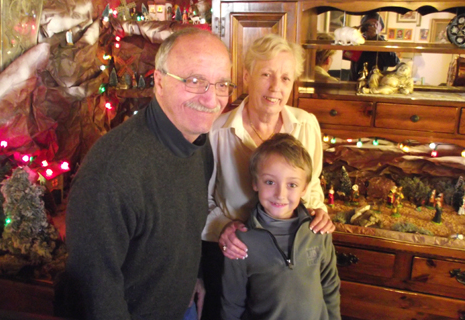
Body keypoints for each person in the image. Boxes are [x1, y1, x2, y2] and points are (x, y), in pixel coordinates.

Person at [63, 28, 235, 320]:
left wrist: (195, 277)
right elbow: (95, 287)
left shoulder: (197, 144)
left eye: (221, 85)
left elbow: (185, 227)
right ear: (159, 82)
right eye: (195, 81)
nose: (211, 99)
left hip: (185, 306)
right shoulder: (113, 170)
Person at [201, 33, 334, 319]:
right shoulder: (216, 132)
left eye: (286, 78)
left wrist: (319, 210)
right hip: (232, 255)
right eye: (266, 74)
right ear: (247, 75)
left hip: (287, 261)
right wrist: (223, 227)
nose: (276, 87)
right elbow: (200, 200)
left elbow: (312, 188)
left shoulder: (306, 125)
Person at [221, 133, 341, 320]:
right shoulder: (240, 241)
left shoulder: (319, 230)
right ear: (255, 183)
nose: (280, 194)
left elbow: (330, 287)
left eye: (292, 184)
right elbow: (232, 303)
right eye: (270, 182)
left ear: (304, 188)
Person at [345, 12, 399, 81]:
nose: (371, 27)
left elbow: (394, 62)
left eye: (375, 24)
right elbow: (347, 55)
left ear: (381, 28)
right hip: (354, 82)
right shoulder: (357, 41)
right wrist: (353, 33)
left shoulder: (384, 44)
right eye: (368, 24)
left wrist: (376, 38)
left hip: (376, 84)